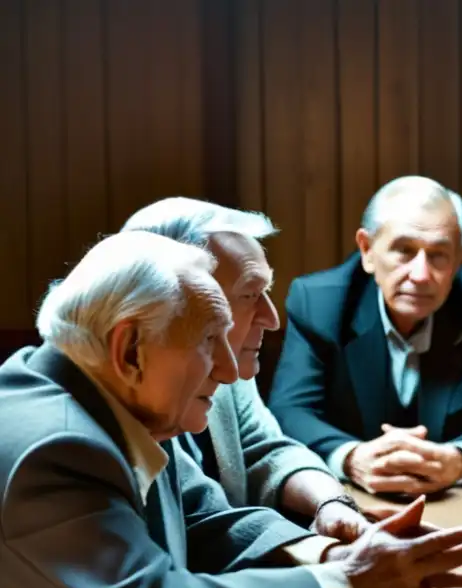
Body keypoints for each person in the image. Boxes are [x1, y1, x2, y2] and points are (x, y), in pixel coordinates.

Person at [0, 232, 462, 588]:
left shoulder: (100, 400)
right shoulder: (55, 448)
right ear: (130, 349)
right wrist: (348, 586)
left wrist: (333, 553)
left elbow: (205, 521)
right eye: (210, 340)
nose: (231, 370)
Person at [121, 198, 398, 542]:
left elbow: (265, 448)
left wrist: (332, 504)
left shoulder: (228, 372)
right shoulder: (131, 394)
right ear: (182, 300)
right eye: (251, 295)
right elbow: (204, 525)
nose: (272, 318)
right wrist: (326, 555)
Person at [268, 175, 462, 496]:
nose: (420, 275)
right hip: (349, 503)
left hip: (459, 507)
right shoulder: (319, 304)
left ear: (459, 258)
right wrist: (351, 458)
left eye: (439, 255)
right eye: (403, 250)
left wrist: (459, 460)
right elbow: (289, 414)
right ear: (368, 250)